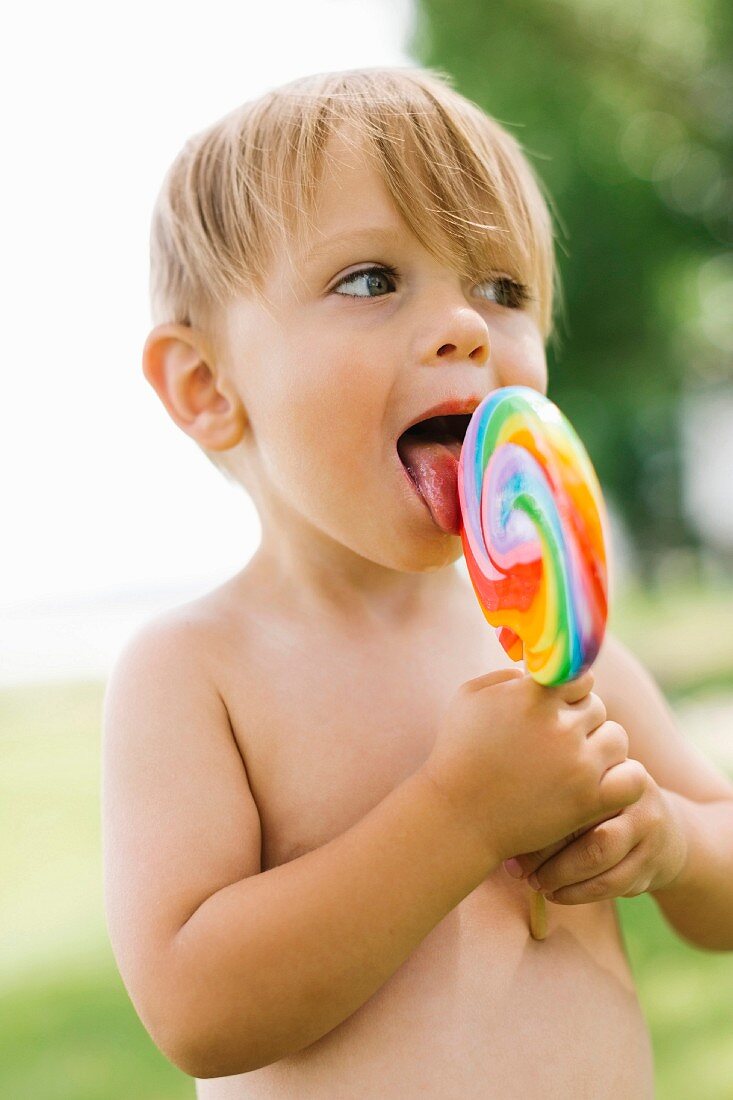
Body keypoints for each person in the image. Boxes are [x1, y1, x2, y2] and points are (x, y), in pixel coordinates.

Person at [101, 67, 733, 1098]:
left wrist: (665, 839)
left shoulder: (553, 639)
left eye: (502, 288)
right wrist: (458, 815)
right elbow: (196, 1009)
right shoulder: (199, 670)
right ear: (208, 387)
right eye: (370, 280)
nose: (466, 327)